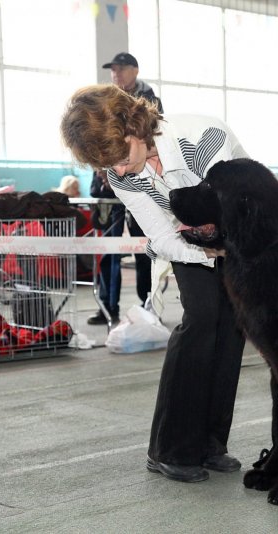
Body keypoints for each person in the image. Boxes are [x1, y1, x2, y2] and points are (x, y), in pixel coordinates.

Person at [61, 84, 247, 483]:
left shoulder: (203, 140)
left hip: (238, 227)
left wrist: (225, 250)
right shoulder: (123, 173)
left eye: (120, 158)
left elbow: (232, 210)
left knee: (232, 325)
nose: (119, 173)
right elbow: (161, 236)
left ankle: (211, 444)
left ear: (134, 126)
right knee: (202, 317)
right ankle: (169, 449)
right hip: (187, 240)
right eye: (108, 166)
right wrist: (204, 255)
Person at [102, 52, 159, 311]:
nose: (116, 74)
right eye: (113, 70)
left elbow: (152, 139)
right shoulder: (105, 101)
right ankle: (107, 306)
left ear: (135, 70)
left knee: (145, 250)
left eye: (122, 69)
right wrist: (103, 169)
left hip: (140, 184)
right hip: (108, 187)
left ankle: (147, 305)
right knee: (107, 248)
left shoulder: (150, 101)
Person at [87, 169, 126, 325]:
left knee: (144, 258)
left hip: (136, 207)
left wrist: (115, 182)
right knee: (108, 259)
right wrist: (105, 182)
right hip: (109, 210)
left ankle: (149, 307)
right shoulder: (97, 161)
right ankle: (107, 308)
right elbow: (94, 189)